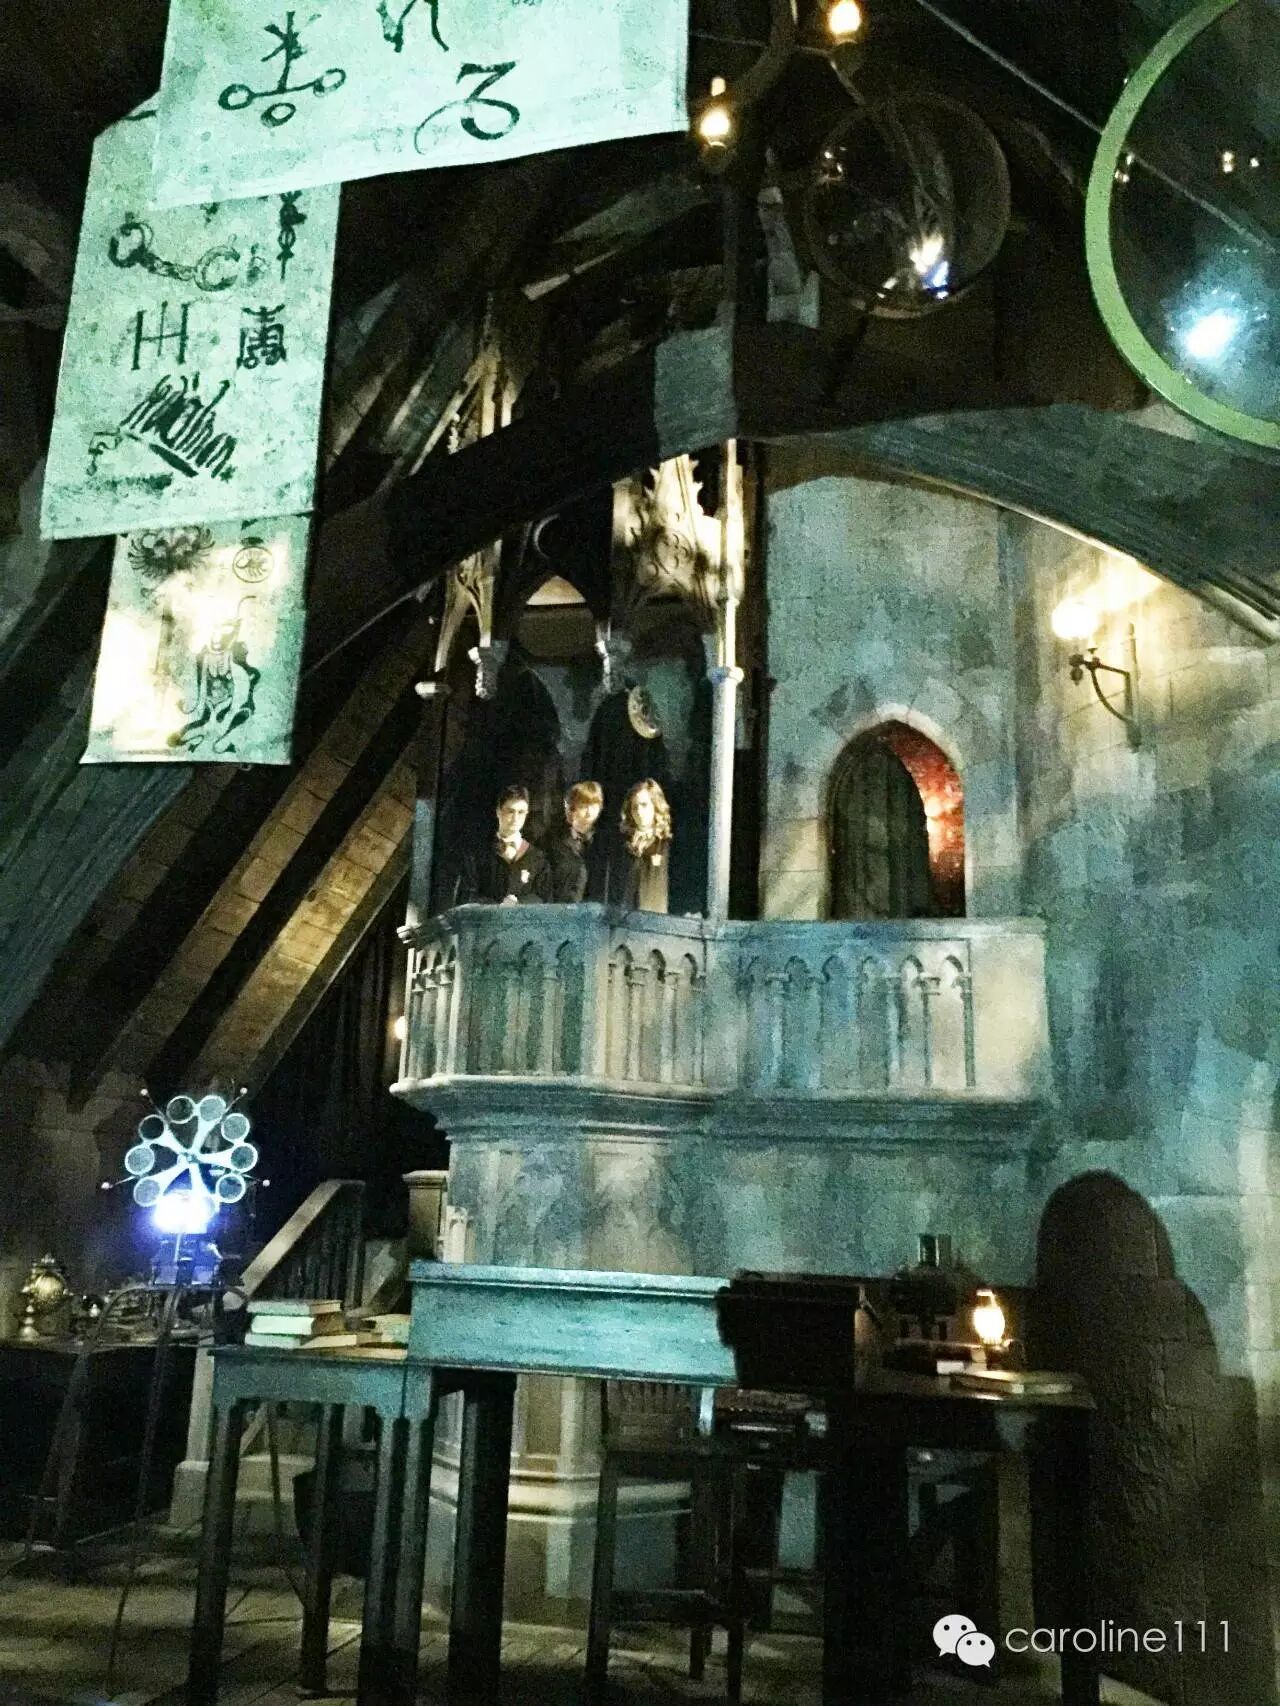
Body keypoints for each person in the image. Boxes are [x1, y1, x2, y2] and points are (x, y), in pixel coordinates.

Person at [458, 784, 552, 904]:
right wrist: (499, 906)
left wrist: (519, 903)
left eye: (521, 812)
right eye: (510, 811)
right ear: (498, 811)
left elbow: (544, 899)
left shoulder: (537, 859)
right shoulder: (478, 855)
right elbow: (466, 896)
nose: (515, 818)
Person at [620, 778, 672, 913]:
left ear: (655, 806)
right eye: (634, 807)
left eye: (644, 805)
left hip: (658, 920)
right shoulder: (622, 845)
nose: (639, 811)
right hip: (626, 920)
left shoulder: (667, 845)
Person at [549, 780, 606, 903]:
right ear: (572, 808)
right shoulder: (553, 842)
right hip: (563, 907)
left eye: (594, 806)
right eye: (583, 806)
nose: (589, 812)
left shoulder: (605, 842)